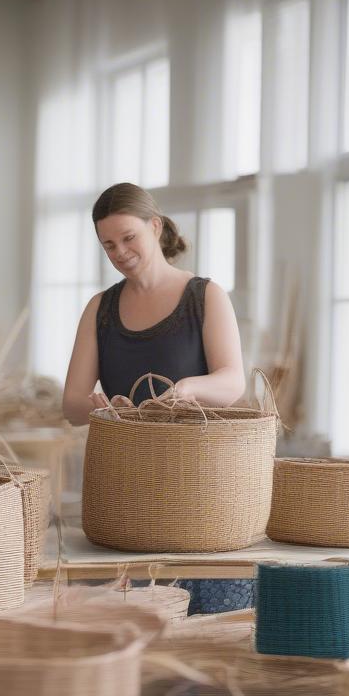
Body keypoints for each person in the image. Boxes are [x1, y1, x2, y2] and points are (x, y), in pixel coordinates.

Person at [63, 182, 248, 615]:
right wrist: (98, 407)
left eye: (129, 238)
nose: (119, 252)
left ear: (155, 226)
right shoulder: (100, 308)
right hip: (125, 493)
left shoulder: (204, 296)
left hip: (201, 493)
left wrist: (189, 388)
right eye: (108, 244)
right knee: (134, 631)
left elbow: (233, 381)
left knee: (209, 631)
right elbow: (71, 404)